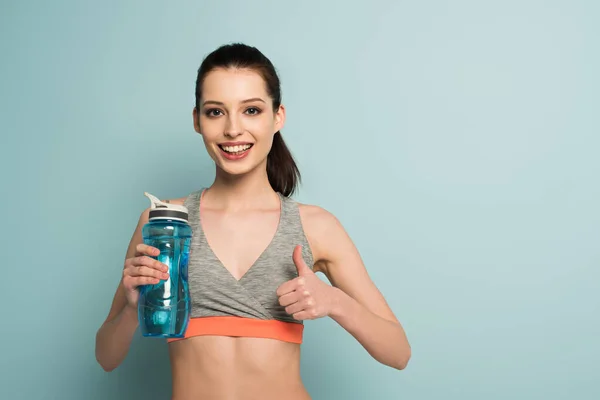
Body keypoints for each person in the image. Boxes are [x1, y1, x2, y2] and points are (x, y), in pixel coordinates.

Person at [95, 42, 411, 399]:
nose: (233, 129)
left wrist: (334, 302)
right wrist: (133, 309)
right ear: (197, 120)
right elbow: (106, 356)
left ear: (278, 117)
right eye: (216, 112)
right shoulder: (165, 221)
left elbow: (398, 352)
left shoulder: (315, 226)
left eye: (251, 110)